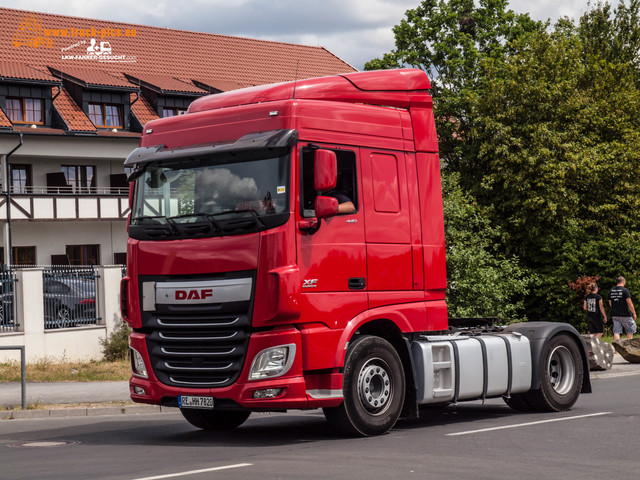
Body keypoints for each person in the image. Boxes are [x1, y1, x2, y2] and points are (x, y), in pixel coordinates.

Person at [608, 276, 637, 340]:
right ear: (623, 282)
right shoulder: (625, 290)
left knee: (616, 331)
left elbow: (610, 303)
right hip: (625, 314)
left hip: (615, 314)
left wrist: (614, 309)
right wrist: (634, 313)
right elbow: (629, 303)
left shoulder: (611, 291)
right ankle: (627, 347)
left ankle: (616, 348)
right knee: (630, 330)